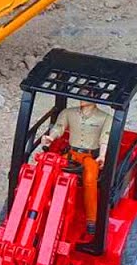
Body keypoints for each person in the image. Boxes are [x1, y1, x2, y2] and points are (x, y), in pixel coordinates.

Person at [41, 97, 111, 232]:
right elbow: (59, 127)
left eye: (87, 94)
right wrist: (51, 137)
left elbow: (105, 138)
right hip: (71, 154)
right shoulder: (69, 113)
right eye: (82, 93)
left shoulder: (105, 118)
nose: (82, 97)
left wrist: (102, 155)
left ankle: (92, 219)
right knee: (48, 170)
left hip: (89, 156)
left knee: (90, 180)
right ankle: (44, 205)